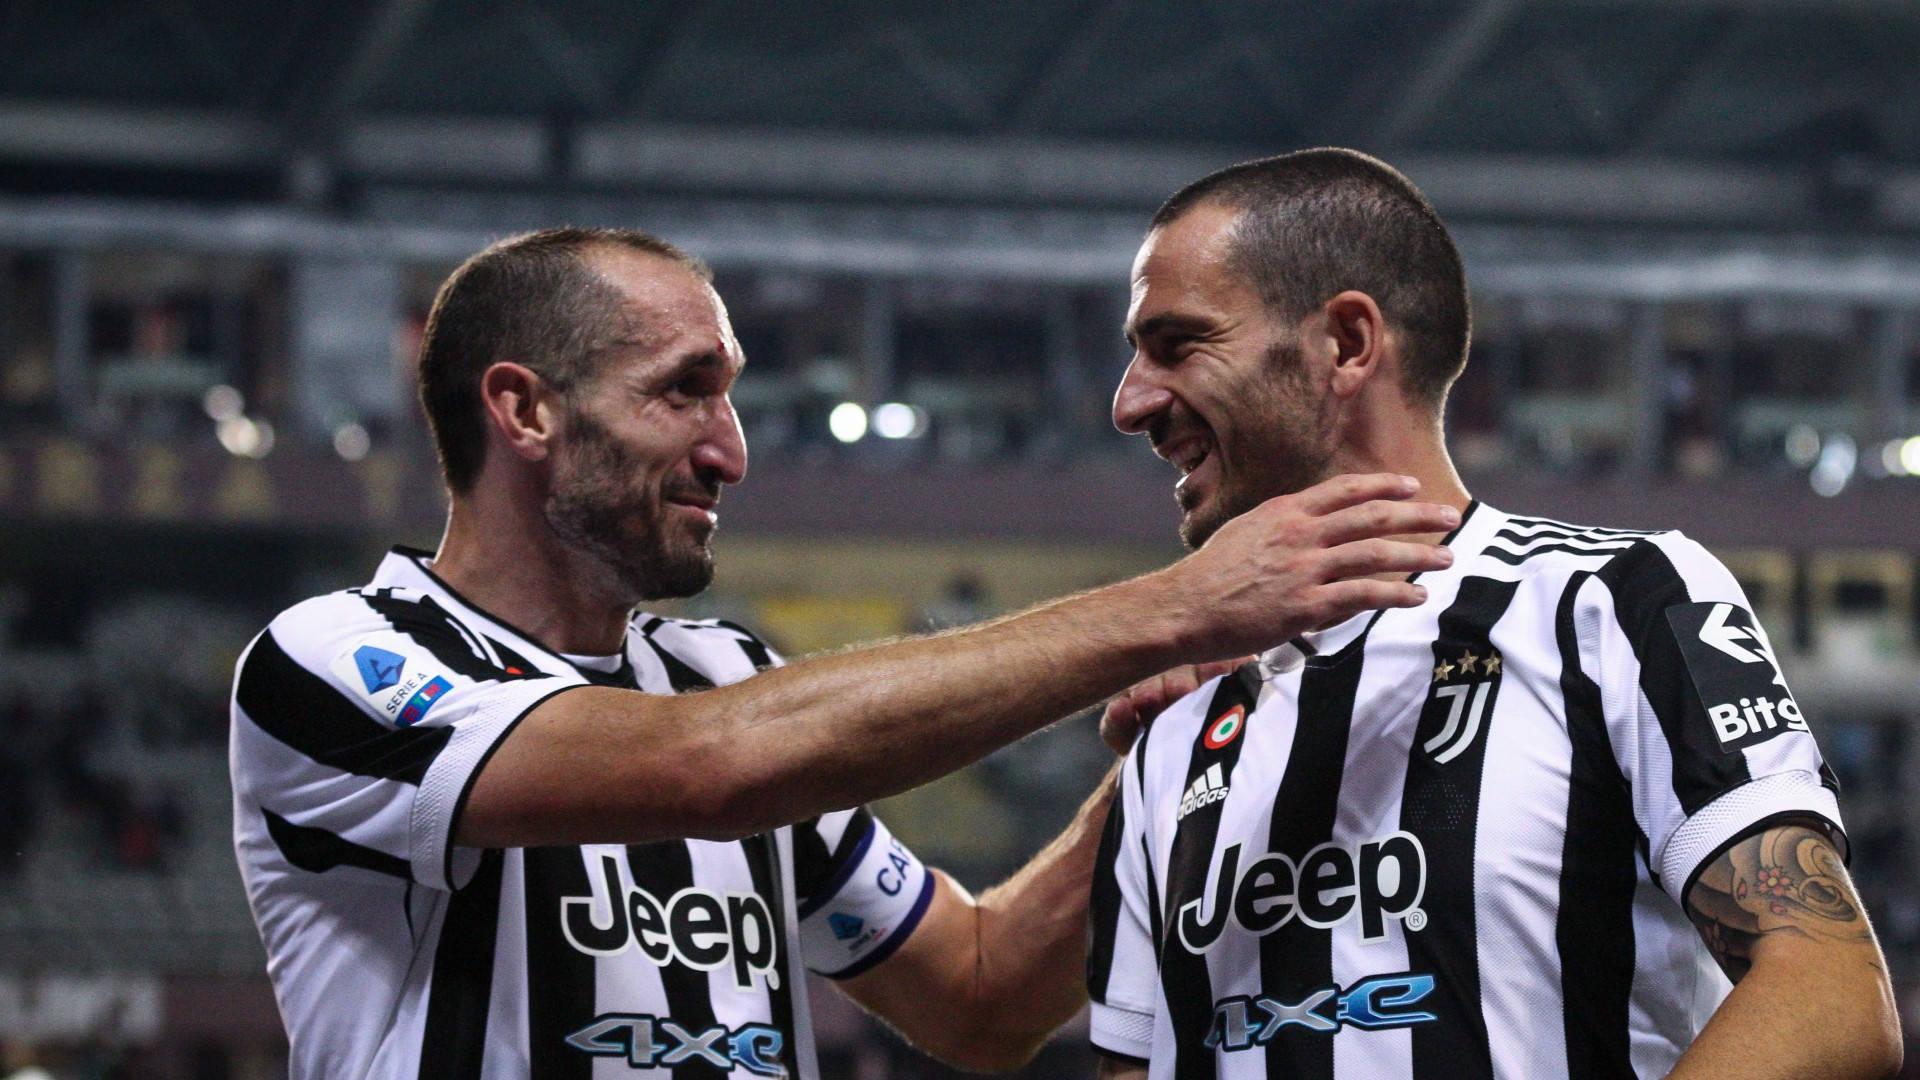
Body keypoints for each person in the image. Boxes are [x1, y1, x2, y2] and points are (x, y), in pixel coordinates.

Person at [228, 227, 1459, 1079]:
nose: (732, 449)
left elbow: (979, 998)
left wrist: (1156, 776)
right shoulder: (335, 661)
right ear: (526, 410)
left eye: (731, 395)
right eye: (684, 392)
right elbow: (707, 774)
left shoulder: (718, 674)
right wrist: (1180, 606)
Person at [1085, 149, 1901, 1080]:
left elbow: (1829, 992)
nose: (1130, 402)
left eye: (1178, 343)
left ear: (1347, 344)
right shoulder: (1171, 732)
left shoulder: (1612, 604)